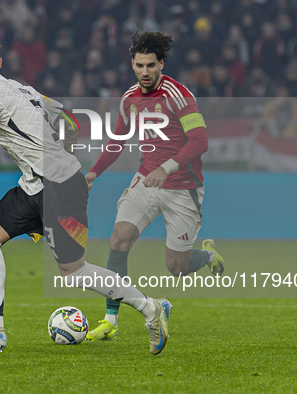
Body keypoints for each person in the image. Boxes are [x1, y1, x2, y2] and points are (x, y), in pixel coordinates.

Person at [0, 35, 173, 357]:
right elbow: (70, 122)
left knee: (74, 271)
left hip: (54, 186)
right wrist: (67, 163)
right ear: (0, 63)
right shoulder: (26, 90)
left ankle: (151, 308)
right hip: (38, 183)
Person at [84, 31, 225, 341]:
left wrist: (167, 166)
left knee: (177, 266)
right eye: (139, 66)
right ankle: (110, 319)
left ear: (162, 63)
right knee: (118, 239)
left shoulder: (178, 96)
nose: (144, 72)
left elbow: (200, 141)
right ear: (132, 65)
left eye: (150, 65)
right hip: (146, 179)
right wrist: (93, 173)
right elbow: (117, 142)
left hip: (182, 187)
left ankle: (209, 256)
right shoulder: (129, 99)